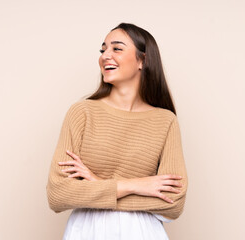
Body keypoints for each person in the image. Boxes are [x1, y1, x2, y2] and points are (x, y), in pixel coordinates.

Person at [46, 22, 188, 240]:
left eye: (117, 48)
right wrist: (135, 185)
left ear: (143, 60)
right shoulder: (82, 113)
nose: (105, 56)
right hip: (87, 232)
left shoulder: (165, 121)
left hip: (142, 233)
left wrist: (96, 185)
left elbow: (173, 202)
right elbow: (58, 194)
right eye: (103, 50)